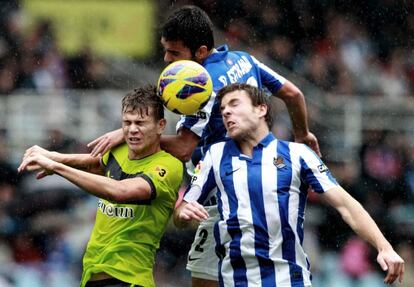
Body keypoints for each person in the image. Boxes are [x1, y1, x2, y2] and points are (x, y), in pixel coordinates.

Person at [87, 6, 320, 287]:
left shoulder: (197, 85)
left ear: (199, 51)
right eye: (165, 50)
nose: (166, 59)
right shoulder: (244, 60)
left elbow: (185, 147)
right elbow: (294, 94)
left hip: (221, 199)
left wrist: (129, 133)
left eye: (174, 53)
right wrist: (303, 134)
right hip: (259, 192)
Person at [175, 83, 405, 287]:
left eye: (234, 104)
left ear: (261, 109)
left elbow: (346, 205)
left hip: (289, 280)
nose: (226, 112)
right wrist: (183, 213)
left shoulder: (298, 154)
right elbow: (182, 213)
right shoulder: (215, 155)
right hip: (235, 280)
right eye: (223, 108)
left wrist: (384, 247)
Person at [18, 85, 183, 287]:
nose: (132, 129)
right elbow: (95, 163)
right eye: (127, 123)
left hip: (129, 279)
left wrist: (56, 166)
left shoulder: (169, 166)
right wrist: (55, 157)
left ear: (160, 125)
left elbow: (120, 191)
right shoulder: (119, 152)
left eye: (140, 123)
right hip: (91, 274)